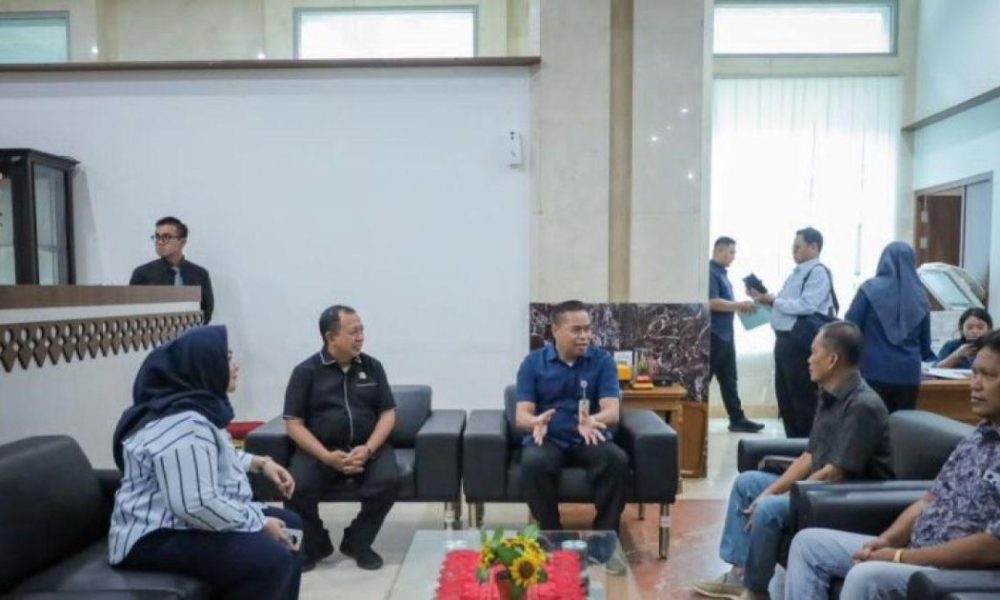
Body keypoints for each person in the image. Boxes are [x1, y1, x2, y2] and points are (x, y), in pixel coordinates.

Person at [784, 329, 1000, 600]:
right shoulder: (977, 438)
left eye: (988, 375)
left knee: (865, 575)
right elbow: (929, 500)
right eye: (975, 373)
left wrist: (899, 557)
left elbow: (992, 546)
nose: (975, 384)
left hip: (953, 571)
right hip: (915, 553)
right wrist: (885, 541)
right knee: (808, 544)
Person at [692, 321, 893, 600]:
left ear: (832, 360)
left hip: (845, 497)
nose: (808, 359)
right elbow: (810, 456)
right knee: (747, 484)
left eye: (814, 352)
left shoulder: (863, 406)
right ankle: (738, 574)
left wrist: (783, 496)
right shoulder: (829, 395)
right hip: (817, 488)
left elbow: (834, 473)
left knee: (768, 509)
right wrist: (769, 490)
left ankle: (755, 588)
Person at [109, 326, 301, 600]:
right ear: (202, 366)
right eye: (227, 358)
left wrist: (259, 463)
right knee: (271, 559)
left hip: (180, 523)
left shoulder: (195, 409)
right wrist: (257, 522)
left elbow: (209, 458)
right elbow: (195, 504)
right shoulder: (182, 424)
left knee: (291, 526)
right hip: (152, 537)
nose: (236, 365)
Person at [283, 305, 400, 571]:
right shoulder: (306, 372)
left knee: (388, 481)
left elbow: (387, 414)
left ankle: (358, 542)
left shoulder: (373, 367)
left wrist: (368, 449)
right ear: (331, 337)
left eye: (361, 330)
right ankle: (315, 544)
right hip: (320, 450)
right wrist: (326, 456)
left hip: (368, 449)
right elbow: (293, 423)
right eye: (353, 332)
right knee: (296, 486)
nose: (360, 337)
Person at [515, 300, 628, 532]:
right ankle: (550, 533)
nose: (584, 336)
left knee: (615, 459)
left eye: (587, 329)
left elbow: (612, 411)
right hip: (549, 438)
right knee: (533, 462)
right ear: (556, 330)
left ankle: (605, 535)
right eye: (576, 330)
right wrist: (534, 422)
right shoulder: (532, 364)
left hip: (588, 437)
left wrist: (595, 420)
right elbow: (521, 415)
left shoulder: (602, 362)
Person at [748, 227, 837, 438]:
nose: (793, 251)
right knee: (786, 398)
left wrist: (773, 300)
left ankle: (807, 447)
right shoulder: (796, 274)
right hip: (784, 341)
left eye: (798, 247)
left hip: (800, 343)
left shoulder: (818, 272)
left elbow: (806, 306)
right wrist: (764, 299)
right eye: (793, 247)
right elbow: (784, 305)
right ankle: (792, 445)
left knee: (802, 399)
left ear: (813, 247)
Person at [845, 241, 936, 412]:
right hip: (908, 376)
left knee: (870, 424)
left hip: (872, 371)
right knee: (903, 425)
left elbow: (850, 326)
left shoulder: (869, 289)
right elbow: (925, 347)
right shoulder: (921, 297)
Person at [709, 236, 766, 433]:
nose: (734, 256)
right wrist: (738, 305)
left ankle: (737, 418)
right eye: (731, 252)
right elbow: (711, 302)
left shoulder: (722, 274)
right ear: (720, 251)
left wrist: (743, 304)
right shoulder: (710, 272)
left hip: (726, 335)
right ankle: (692, 417)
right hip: (714, 335)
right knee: (705, 380)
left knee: (729, 380)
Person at [130, 216, 215, 323]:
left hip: (191, 330)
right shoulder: (142, 273)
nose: (160, 242)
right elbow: (133, 312)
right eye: (157, 237)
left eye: (166, 237)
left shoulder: (200, 274)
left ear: (182, 242)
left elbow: (207, 311)